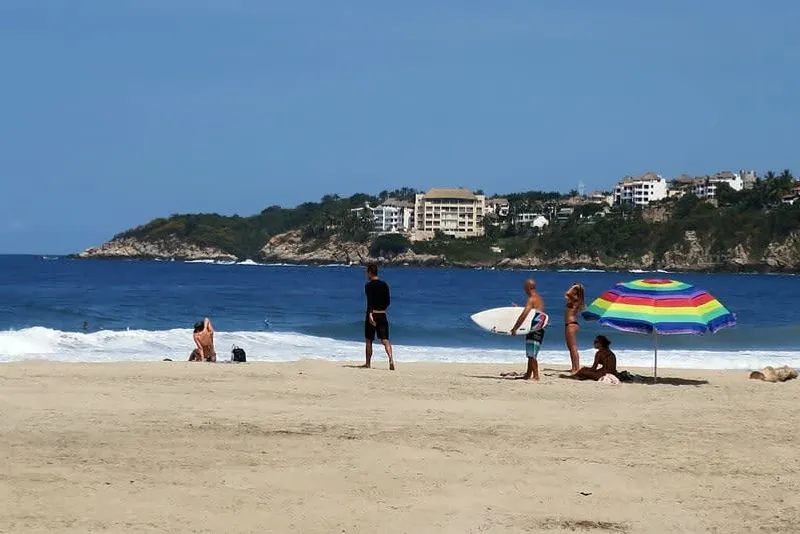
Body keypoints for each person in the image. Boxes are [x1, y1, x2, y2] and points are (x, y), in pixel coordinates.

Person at [504, 279, 546, 381]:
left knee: (531, 354)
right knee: (530, 353)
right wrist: (518, 308)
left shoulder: (531, 299)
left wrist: (515, 328)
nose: (524, 289)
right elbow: (533, 313)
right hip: (539, 327)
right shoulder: (539, 298)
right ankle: (528, 374)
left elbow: (524, 315)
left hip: (535, 329)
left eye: (524, 287)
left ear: (528, 287)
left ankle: (536, 376)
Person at [362, 263, 395, 370]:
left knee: (369, 340)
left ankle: (368, 363)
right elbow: (387, 301)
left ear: (370, 273)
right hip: (382, 313)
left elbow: (370, 301)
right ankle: (390, 358)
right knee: (385, 339)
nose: (366, 275)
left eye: (367, 273)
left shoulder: (368, 285)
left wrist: (371, 314)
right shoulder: (385, 285)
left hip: (372, 314)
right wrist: (382, 309)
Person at [564, 283, 586, 374]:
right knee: (570, 347)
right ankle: (574, 366)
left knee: (573, 347)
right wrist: (576, 287)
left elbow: (566, 293)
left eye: (573, 288)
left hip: (571, 324)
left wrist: (575, 287)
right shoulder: (575, 299)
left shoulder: (575, 299)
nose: (571, 289)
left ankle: (576, 368)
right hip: (570, 324)